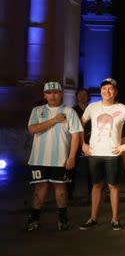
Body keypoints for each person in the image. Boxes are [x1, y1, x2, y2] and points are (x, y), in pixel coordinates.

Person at [80, 78, 125, 231]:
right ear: (101, 91)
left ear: (115, 92)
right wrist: (83, 143)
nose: (106, 91)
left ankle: (115, 219)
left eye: (110, 89)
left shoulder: (122, 108)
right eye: (104, 88)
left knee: (113, 186)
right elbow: (79, 124)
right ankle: (93, 218)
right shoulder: (92, 107)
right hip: (94, 153)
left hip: (112, 154)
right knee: (96, 186)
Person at [25, 81, 84, 231]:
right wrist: (54, 120)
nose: (53, 95)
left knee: (61, 189)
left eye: (56, 92)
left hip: (61, 160)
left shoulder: (70, 111)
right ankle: (34, 219)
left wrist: (71, 157)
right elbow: (32, 129)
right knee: (39, 190)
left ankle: (63, 220)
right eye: (49, 93)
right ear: (44, 95)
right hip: (39, 159)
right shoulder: (37, 111)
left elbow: (76, 135)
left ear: (61, 93)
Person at [68, 87, 91, 200]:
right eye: (80, 95)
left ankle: (91, 194)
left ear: (88, 97)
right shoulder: (73, 110)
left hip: (90, 143)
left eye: (84, 94)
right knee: (71, 170)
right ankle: (69, 194)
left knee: (90, 170)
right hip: (75, 143)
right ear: (76, 97)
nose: (82, 97)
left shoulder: (91, 109)